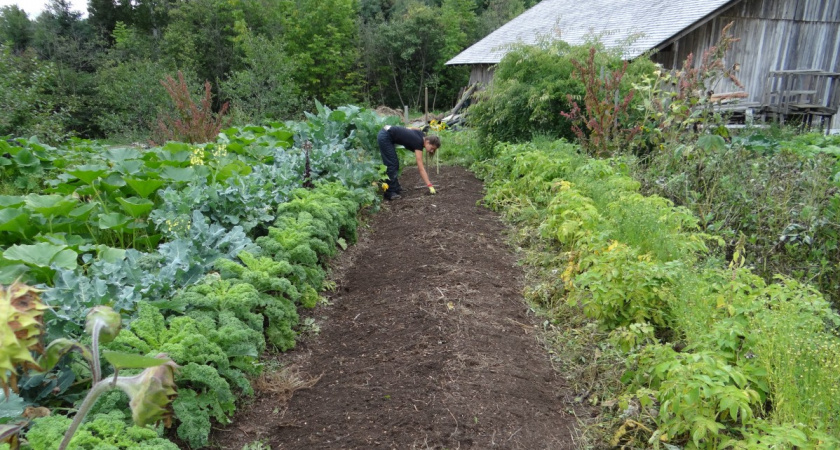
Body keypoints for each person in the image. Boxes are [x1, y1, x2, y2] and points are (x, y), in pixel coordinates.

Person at [377, 125, 440, 200]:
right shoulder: (418, 142)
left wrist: (419, 128)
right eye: (432, 148)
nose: (432, 151)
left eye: (433, 150)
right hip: (385, 136)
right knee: (391, 164)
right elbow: (421, 168)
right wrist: (429, 185)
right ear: (428, 142)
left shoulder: (422, 135)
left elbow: (409, 128)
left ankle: (396, 188)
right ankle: (390, 192)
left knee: (394, 163)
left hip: (387, 131)